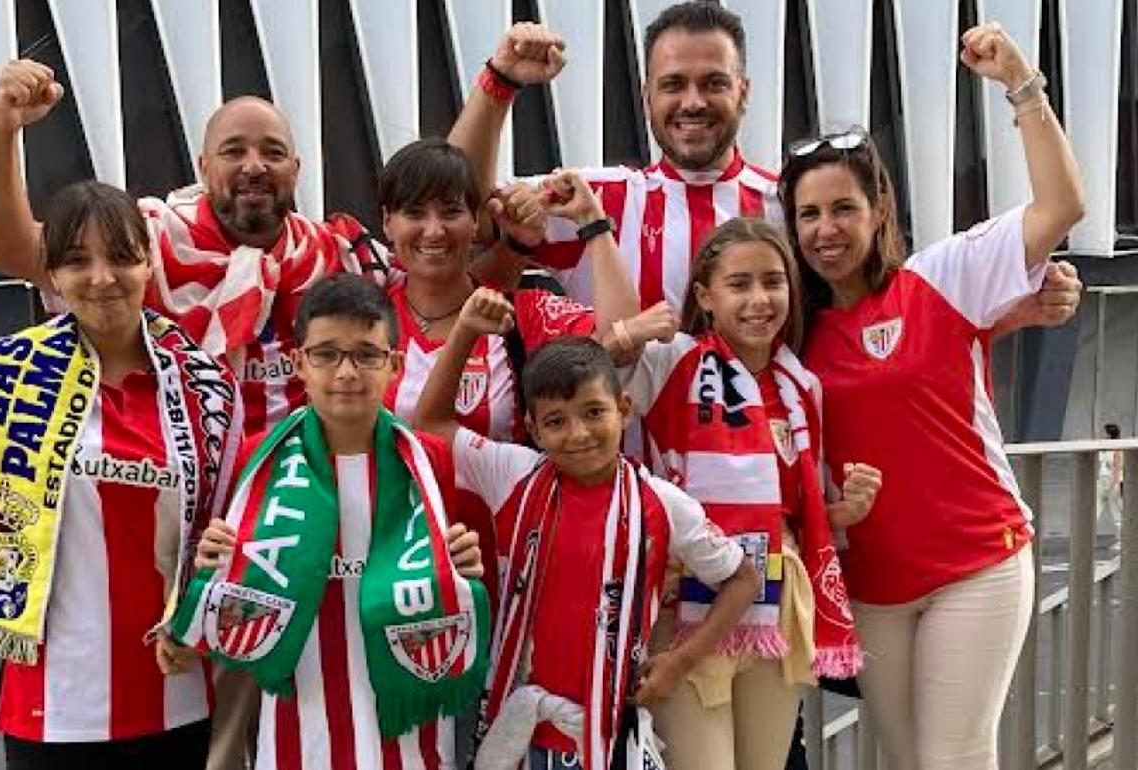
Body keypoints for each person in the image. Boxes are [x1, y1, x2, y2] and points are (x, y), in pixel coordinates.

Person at [0, 61, 391, 768]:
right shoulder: (146, 242)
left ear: (298, 166)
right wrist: (3, 129)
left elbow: (437, 268)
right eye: (234, 151)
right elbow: (9, 248)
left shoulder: (334, 255)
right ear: (203, 164)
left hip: (313, 547)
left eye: (271, 151)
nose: (253, 166)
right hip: (200, 567)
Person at [779, 23, 1085, 769]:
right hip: (874, 588)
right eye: (809, 214)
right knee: (909, 758)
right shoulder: (787, 332)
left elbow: (1061, 206)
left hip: (976, 564)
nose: (826, 230)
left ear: (878, 210)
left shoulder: (941, 276)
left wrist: (1022, 85)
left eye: (843, 208)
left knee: (954, 760)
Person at [0, 182, 245, 768]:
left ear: (148, 263)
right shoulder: (3, 372)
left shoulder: (205, 383)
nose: (102, 277)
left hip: (180, 697)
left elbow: (234, 529)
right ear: (51, 274)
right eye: (77, 260)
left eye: (122, 256)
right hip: (49, 709)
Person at [448, 3, 1083, 324]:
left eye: (712, 83)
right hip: (633, 515)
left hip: (766, 510)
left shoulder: (795, 207)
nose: (692, 102)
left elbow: (875, 322)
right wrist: (500, 81)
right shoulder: (590, 198)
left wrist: (1011, 308)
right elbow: (462, 213)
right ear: (645, 96)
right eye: (672, 85)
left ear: (744, 92)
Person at [415, 291, 763, 770]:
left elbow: (745, 579)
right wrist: (466, 332)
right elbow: (431, 423)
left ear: (624, 408)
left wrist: (680, 660)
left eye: (593, 413)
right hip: (518, 731)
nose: (578, 434)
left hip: (611, 737)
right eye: (556, 421)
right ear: (534, 432)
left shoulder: (660, 501)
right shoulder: (514, 474)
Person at [175, 274, 489, 769]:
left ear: (395, 365)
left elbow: (443, 565)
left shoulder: (426, 459)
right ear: (299, 363)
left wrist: (461, 564)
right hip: (300, 700)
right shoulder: (262, 458)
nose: (346, 372)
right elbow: (238, 582)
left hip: (402, 705)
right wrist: (215, 561)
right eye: (326, 354)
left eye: (367, 354)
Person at [618, 217, 881, 770]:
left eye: (773, 281)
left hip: (774, 600)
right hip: (681, 601)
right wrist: (626, 334)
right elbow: (595, 405)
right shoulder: (671, 362)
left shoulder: (801, 387)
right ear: (704, 297)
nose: (759, 299)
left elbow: (797, 512)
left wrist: (847, 511)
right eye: (739, 285)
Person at [376, 138, 639, 442]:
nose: (434, 231)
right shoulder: (367, 311)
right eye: (414, 213)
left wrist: (592, 221)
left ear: (476, 221)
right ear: (386, 222)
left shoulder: (522, 315)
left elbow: (623, 340)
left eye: (450, 213)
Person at [1099, 423, 1125, 542]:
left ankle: (1122, 539)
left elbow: (1117, 468)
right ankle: (1085, 536)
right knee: (1096, 508)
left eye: (1104, 432)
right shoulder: (1104, 447)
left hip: (1112, 483)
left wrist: (1113, 486)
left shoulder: (1118, 449)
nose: (1101, 435)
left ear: (1109, 435)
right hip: (1101, 481)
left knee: (1116, 512)